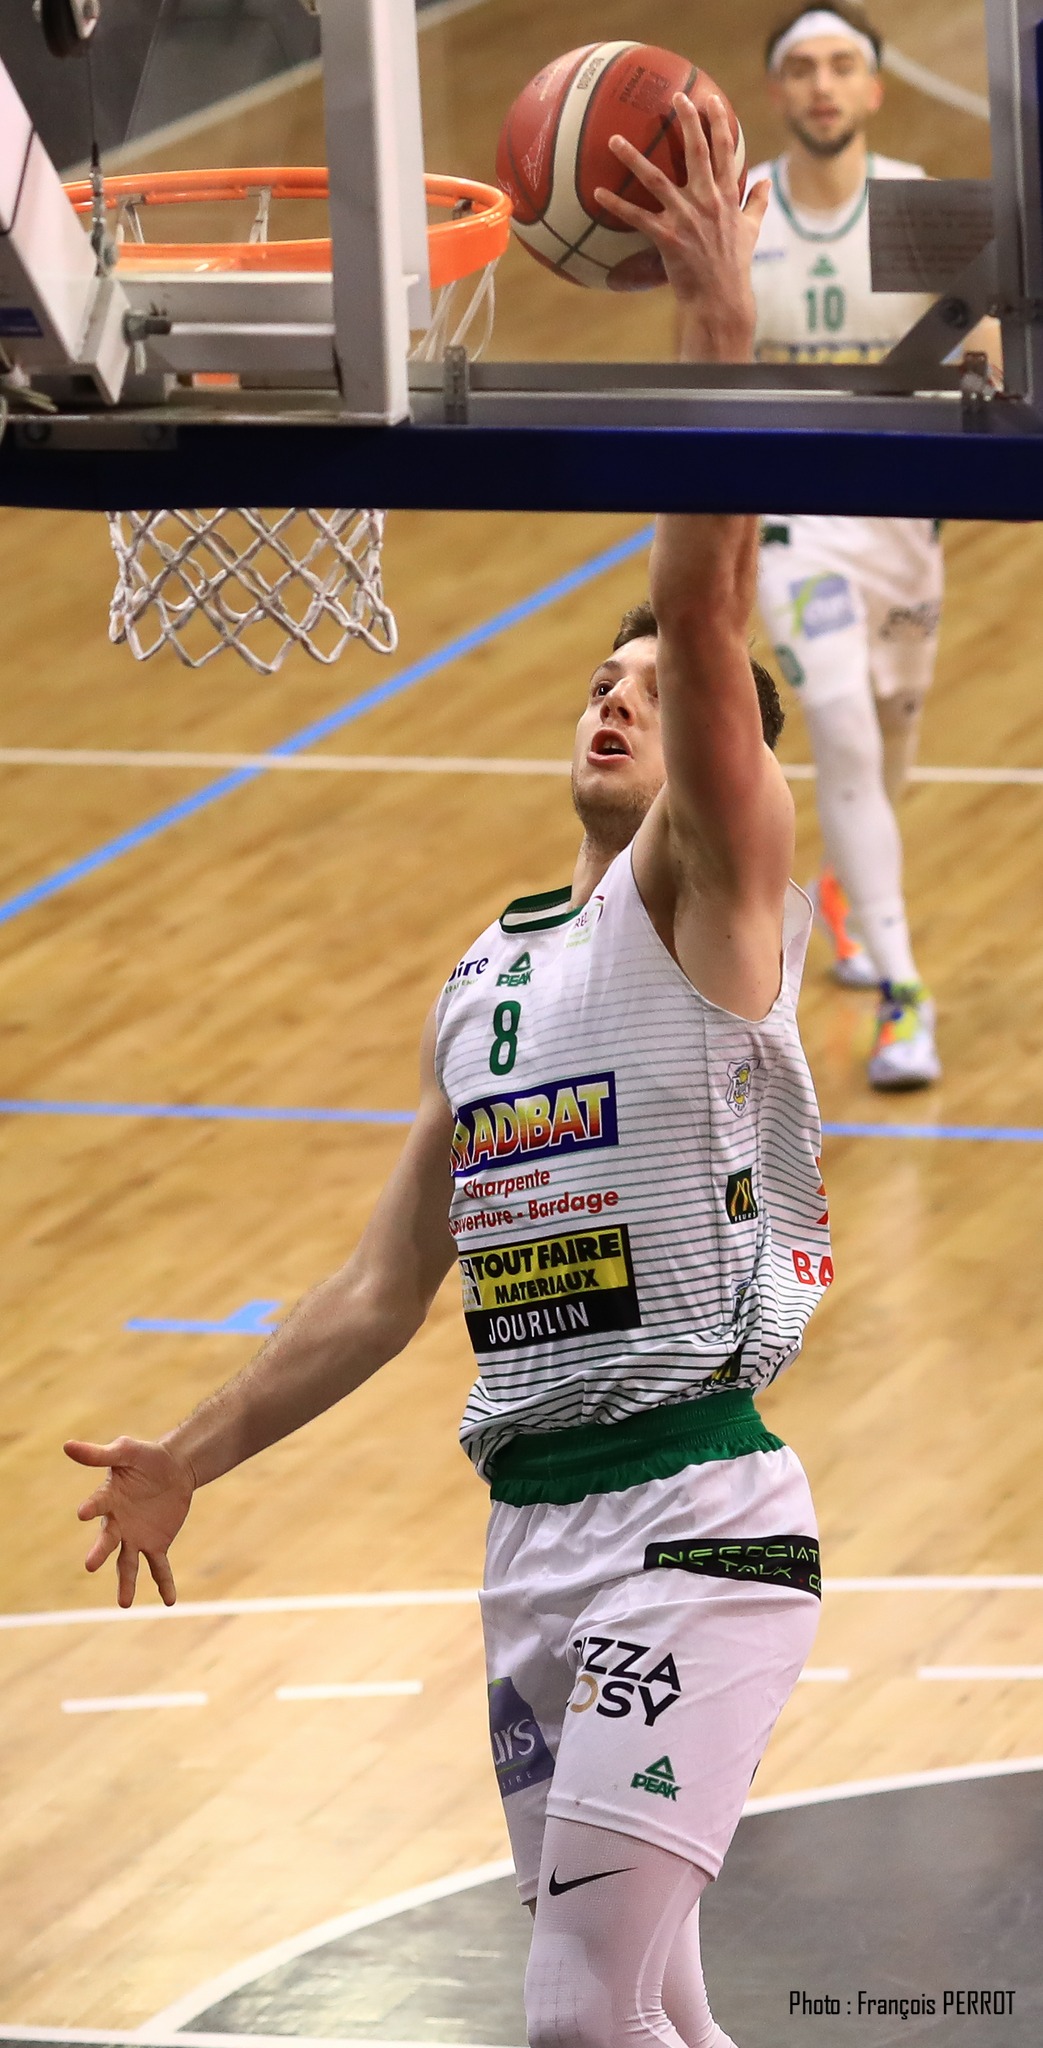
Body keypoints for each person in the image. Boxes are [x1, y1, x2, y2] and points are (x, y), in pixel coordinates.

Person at [65, 101, 831, 2048]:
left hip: (696, 1514)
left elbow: (702, 609)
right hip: (530, 1532)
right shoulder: (488, 976)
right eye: (598, 678)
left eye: (654, 692)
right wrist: (191, 1454)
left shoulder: (710, 899)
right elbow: (378, 1288)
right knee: (646, 2013)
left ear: (725, 763)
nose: (617, 694)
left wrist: (714, 337)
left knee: (571, 2016)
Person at [750, 1, 947, 1087]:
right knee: (837, 725)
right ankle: (905, 998)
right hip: (794, 523)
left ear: (871, 88)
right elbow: (698, 363)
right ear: (777, 90)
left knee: (889, 736)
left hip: (903, 522)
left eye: (841, 67)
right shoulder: (743, 211)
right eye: (802, 69)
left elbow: (988, 359)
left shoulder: (918, 205)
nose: (822, 85)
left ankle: (843, 892)